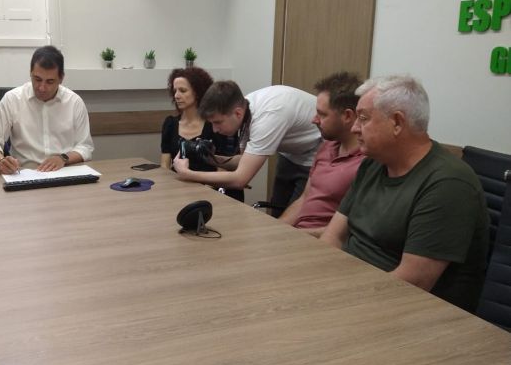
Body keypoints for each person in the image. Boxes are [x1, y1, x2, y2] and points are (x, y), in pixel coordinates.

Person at [320, 75, 488, 312]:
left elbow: (413, 283)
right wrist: (322, 283)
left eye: (363, 118)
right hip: (354, 293)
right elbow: (334, 236)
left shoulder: (449, 183)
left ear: (397, 123)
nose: (354, 127)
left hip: (409, 312)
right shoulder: (373, 164)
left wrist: (337, 299)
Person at [172, 81, 322, 214]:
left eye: (217, 122)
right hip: (291, 152)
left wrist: (188, 174)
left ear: (237, 113)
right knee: (277, 213)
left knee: (296, 221)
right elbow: (243, 161)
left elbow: (240, 180)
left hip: (316, 151)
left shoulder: (266, 119)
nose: (215, 130)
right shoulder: (245, 110)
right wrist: (211, 159)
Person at [0, 45, 94, 173]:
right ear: (30, 73)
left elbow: (85, 147)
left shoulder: (74, 103)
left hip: (64, 172)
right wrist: (0, 161)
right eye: (37, 79)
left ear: (61, 78)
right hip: (24, 173)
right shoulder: (12, 100)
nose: (42, 87)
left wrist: (63, 158)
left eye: (50, 81)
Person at [278, 72, 365, 236]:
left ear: (347, 116)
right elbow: (304, 198)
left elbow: (353, 229)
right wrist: (275, 230)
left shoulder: (366, 163)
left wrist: (296, 235)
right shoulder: (326, 147)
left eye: (322, 114)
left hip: (323, 241)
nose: (314, 120)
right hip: (299, 235)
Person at [160, 68, 243, 201]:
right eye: (175, 91)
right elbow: (165, 166)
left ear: (198, 92)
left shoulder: (216, 125)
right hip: (178, 191)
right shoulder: (170, 124)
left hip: (211, 191)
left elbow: (223, 169)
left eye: (183, 90)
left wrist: (202, 192)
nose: (176, 95)